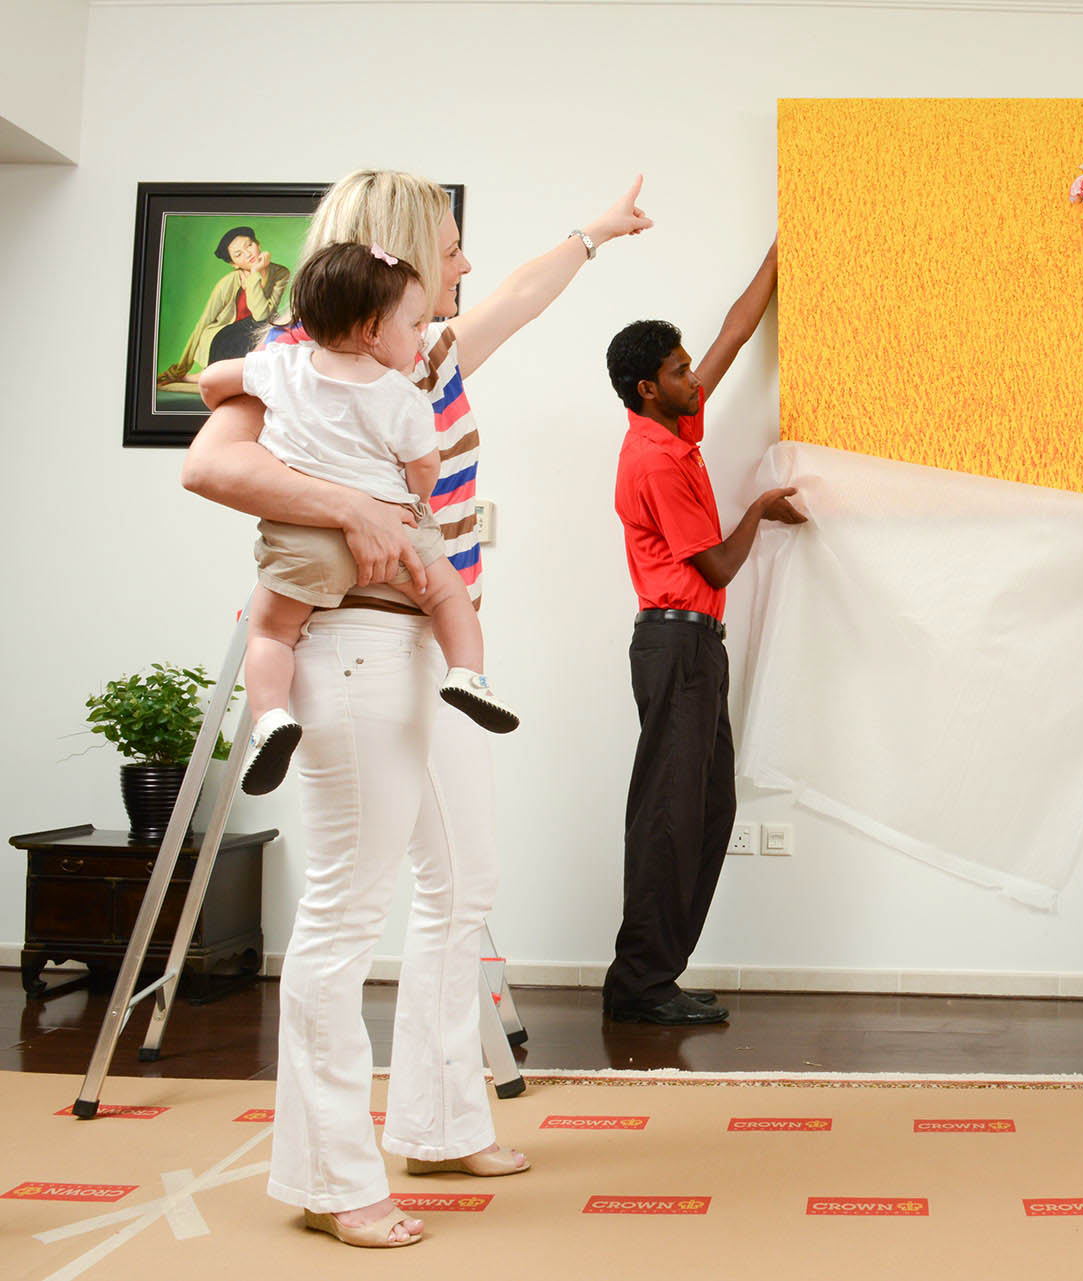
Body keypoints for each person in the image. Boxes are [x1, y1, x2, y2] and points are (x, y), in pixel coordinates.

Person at [181, 168, 653, 1248]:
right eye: (450, 245)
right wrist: (355, 505)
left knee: (463, 883)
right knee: (347, 909)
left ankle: (438, 1121)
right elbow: (212, 467)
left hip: (426, 652)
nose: (467, 262)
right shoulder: (295, 362)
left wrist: (595, 232)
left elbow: (521, 294)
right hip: (347, 645)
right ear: (394, 255)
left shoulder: (420, 356)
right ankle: (330, 1175)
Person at [199, 242, 519, 798]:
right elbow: (424, 471)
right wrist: (411, 491)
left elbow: (212, 382)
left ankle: (271, 718)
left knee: (273, 630)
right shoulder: (402, 394)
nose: (423, 334)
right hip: (396, 529)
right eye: (415, 324)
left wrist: (241, 391)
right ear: (373, 330)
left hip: (305, 538)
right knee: (448, 597)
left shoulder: (282, 365)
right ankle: (468, 674)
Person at [601, 242, 805, 1027]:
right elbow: (717, 566)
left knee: (707, 808)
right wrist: (760, 508)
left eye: (690, 369)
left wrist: (778, 256)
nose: (697, 380)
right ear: (648, 388)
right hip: (676, 644)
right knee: (669, 813)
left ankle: (658, 973)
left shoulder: (673, 424)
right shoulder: (655, 459)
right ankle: (641, 983)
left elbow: (731, 335)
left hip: (693, 648)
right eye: (682, 373)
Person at [158, 226, 292, 386]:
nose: (248, 254)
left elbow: (262, 315)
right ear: (234, 263)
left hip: (259, 332)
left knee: (271, 329)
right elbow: (204, 321)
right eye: (238, 254)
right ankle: (207, 375)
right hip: (226, 336)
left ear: (258, 244)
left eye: (249, 245)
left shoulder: (280, 273)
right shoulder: (227, 283)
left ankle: (211, 377)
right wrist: (182, 366)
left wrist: (254, 275)